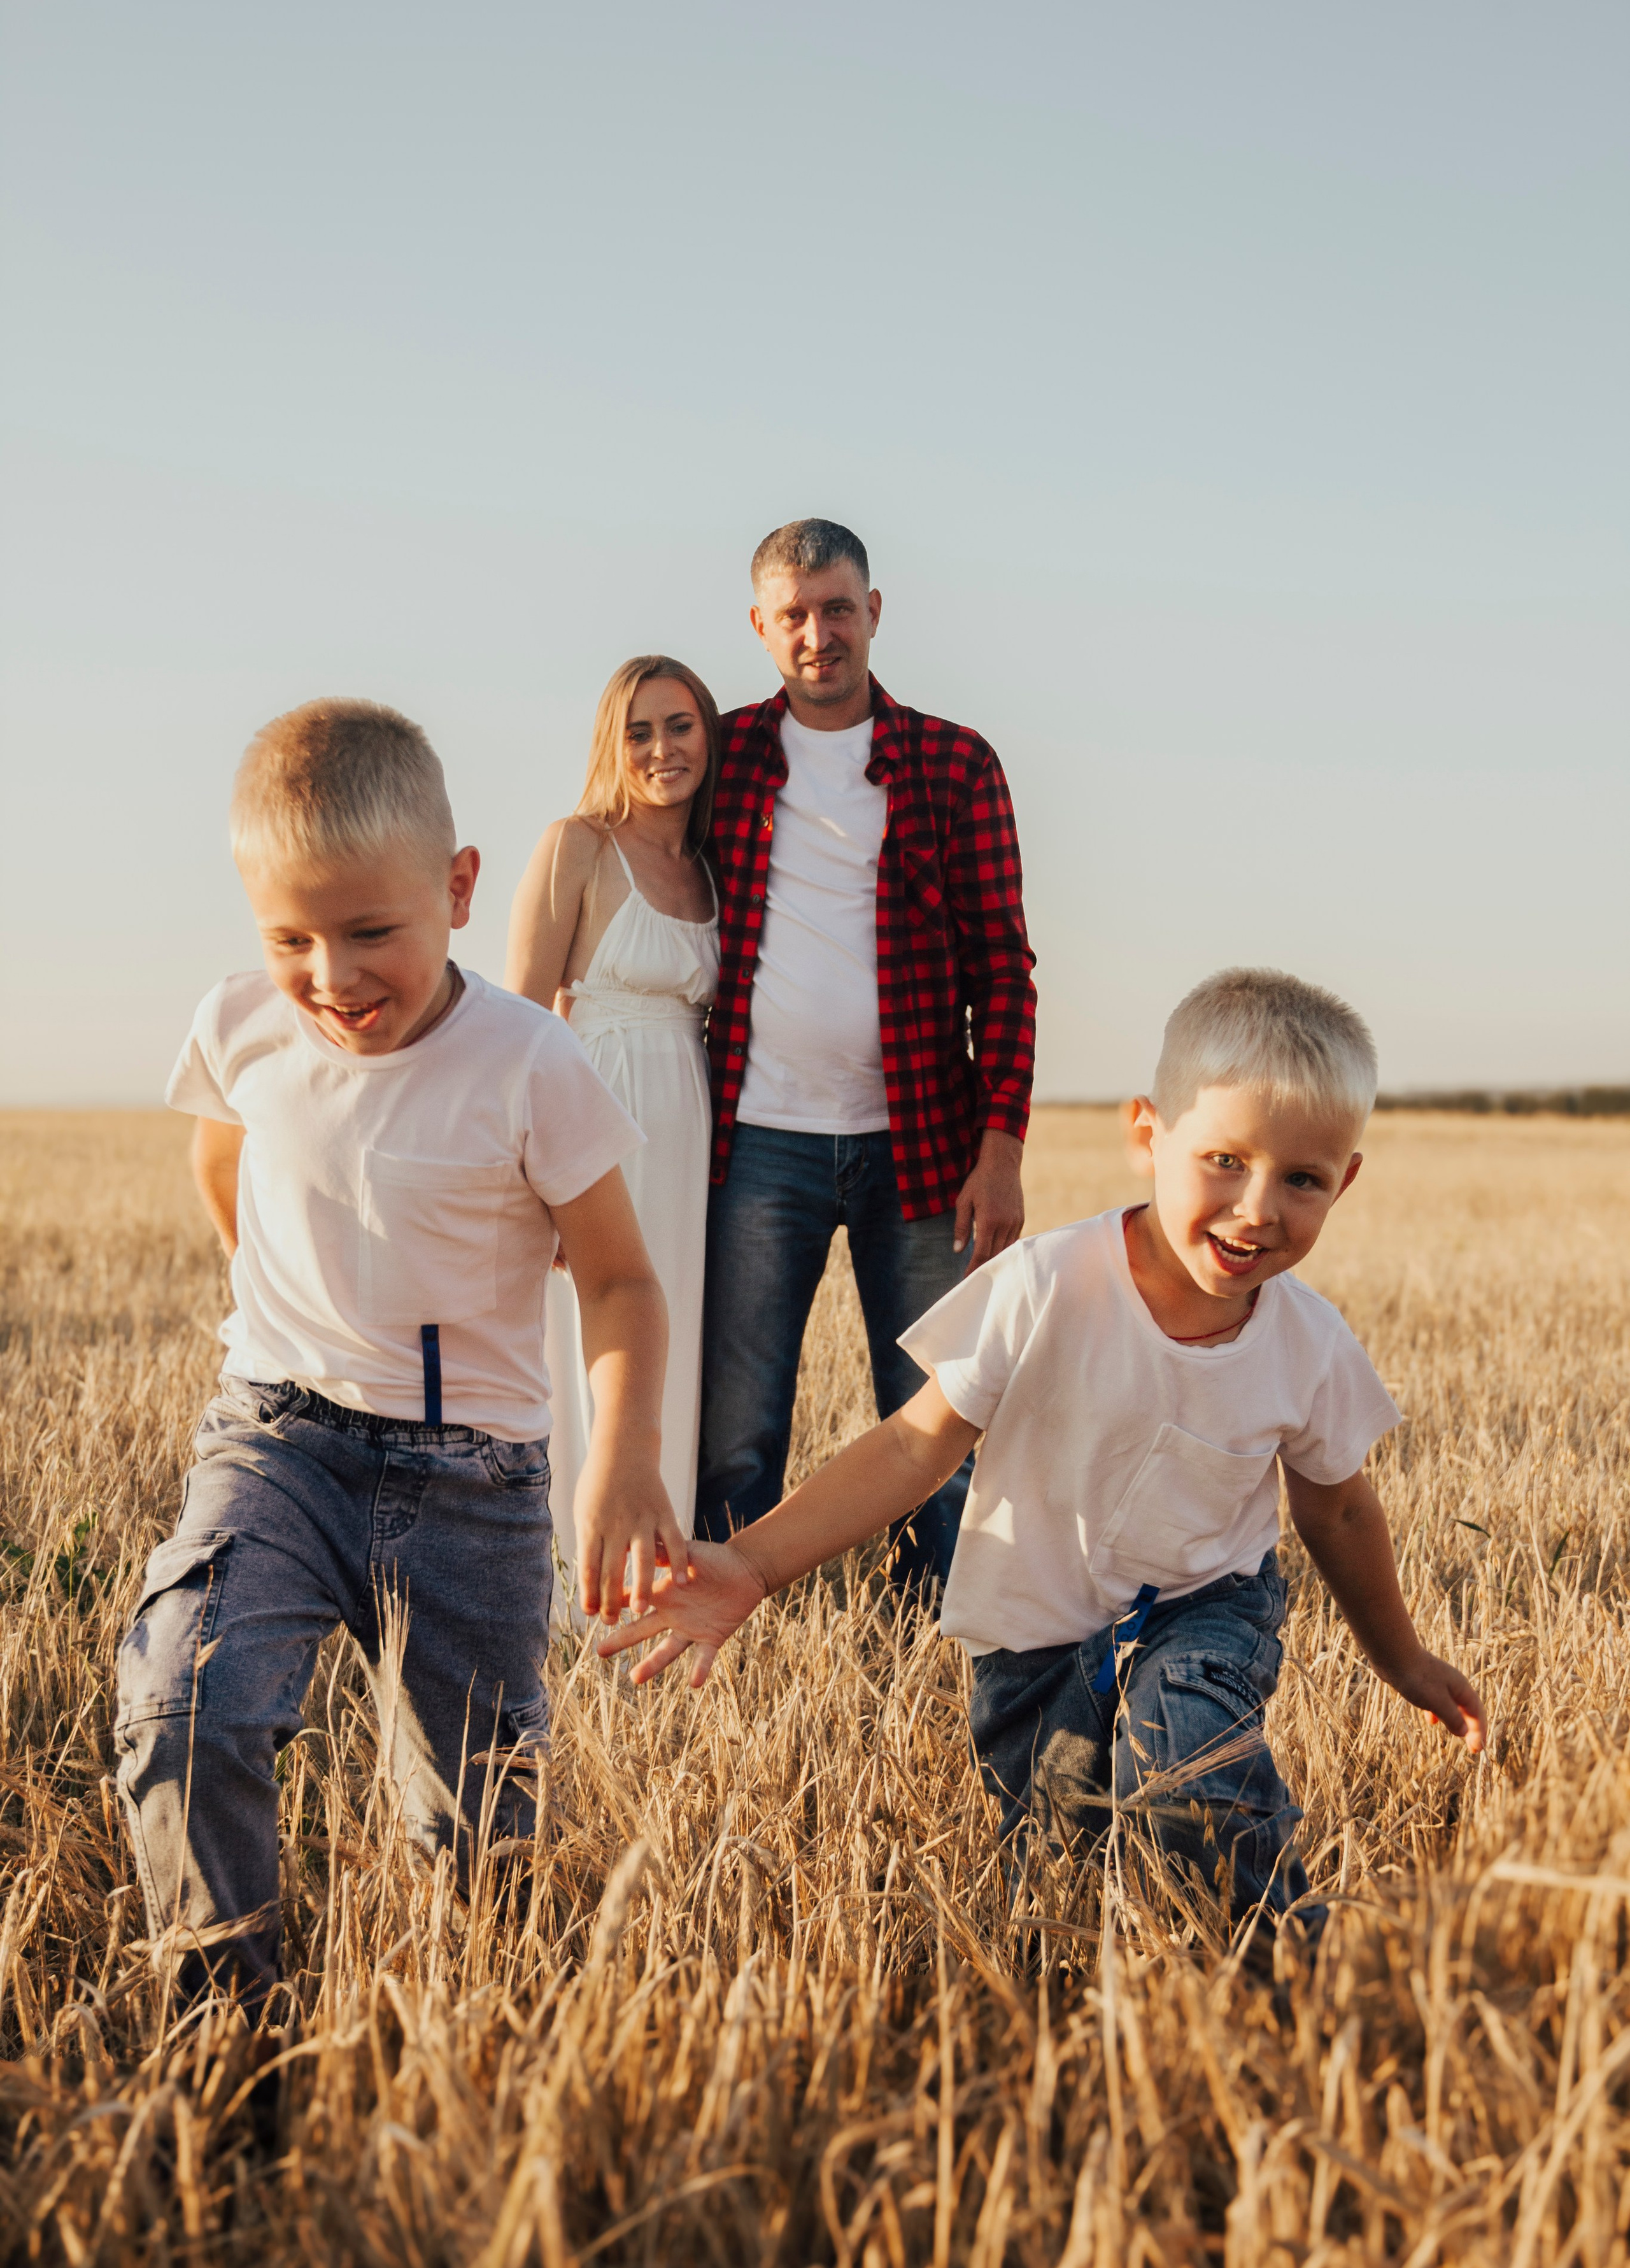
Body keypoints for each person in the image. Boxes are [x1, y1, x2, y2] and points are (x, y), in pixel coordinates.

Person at [602, 968, 1487, 1950]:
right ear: (1148, 1135)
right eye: (1225, 1161)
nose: (1257, 1208)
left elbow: (1340, 1510)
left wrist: (1402, 1658)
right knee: (1062, 1882)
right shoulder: (1046, 1285)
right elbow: (914, 1445)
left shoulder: (1308, 1345)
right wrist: (753, 1563)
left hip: (1208, 1610)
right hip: (1032, 1640)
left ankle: (1288, 1967)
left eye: (1302, 1181)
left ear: (1345, 1182)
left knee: (1183, 1758)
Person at [114, 698, 683, 2007]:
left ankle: (470, 2043)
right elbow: (223, 1159)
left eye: (373, 932)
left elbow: (618, 1278)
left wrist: (625, 1460)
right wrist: (280, 1289)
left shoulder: (529, 1062)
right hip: (277, 1439)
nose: (332, 974)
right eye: (290, 938)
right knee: (185, 1701)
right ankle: (227, 2039)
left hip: (473, 1480)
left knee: (475, 1826)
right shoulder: (242, 1025)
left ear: (459, 889)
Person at [697, 518, 1037, 1597]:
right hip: (757, 1142)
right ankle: (735, 1612)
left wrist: (1002, 1149)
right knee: (736, 1422)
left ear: (875, 612)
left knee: (939, 1410)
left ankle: (941, 1618)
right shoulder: (720, 759)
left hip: (923, 1146)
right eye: (794, 615)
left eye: (838, 609)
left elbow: (1004, 968)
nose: (819, 634)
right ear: (761, 627)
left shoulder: (954, 762)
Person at [506, 657, 721, 1627]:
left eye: (679, 726)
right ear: (612, 743)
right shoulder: (577, 847)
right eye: (638, 731)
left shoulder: (712, 867)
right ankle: (560, 1600)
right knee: (581, 1353)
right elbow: (518, 1024)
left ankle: (648, 1594)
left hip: (686, 1129)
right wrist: (535, 1179)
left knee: (665, 1349)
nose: (661, 748)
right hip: (596, 1113)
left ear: (708, 736)